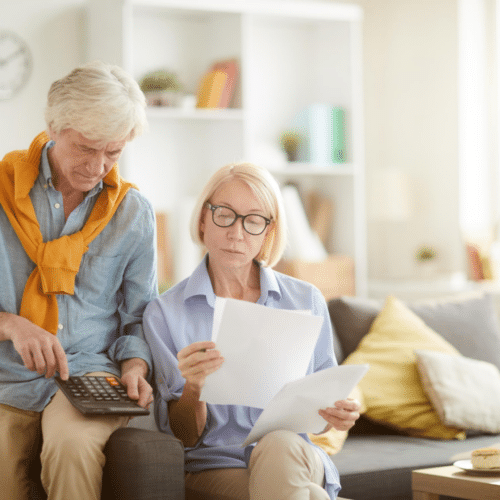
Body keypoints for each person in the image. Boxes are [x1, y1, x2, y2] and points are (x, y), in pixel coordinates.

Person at [143, 162, 361, 500]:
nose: (237, 233)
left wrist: (337, 416)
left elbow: (322, 410)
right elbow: (184, 437)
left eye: (253, 220)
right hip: (214, 467)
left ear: (268, 232)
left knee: (278, 444)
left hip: (294, 455)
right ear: (203, 219)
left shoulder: (305, 300)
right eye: (225, 214)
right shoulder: (165, 313)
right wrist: (193, 388)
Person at [0, 61, 157, 500]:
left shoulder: (132, 213)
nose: (98, 167)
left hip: (91, 377)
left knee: (71, 447)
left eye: (114, 152)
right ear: (53, 127)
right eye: (86, 149)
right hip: (7, 375)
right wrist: (13, 324)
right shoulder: (1, 191)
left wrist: (135, 366)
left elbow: (140, 314)